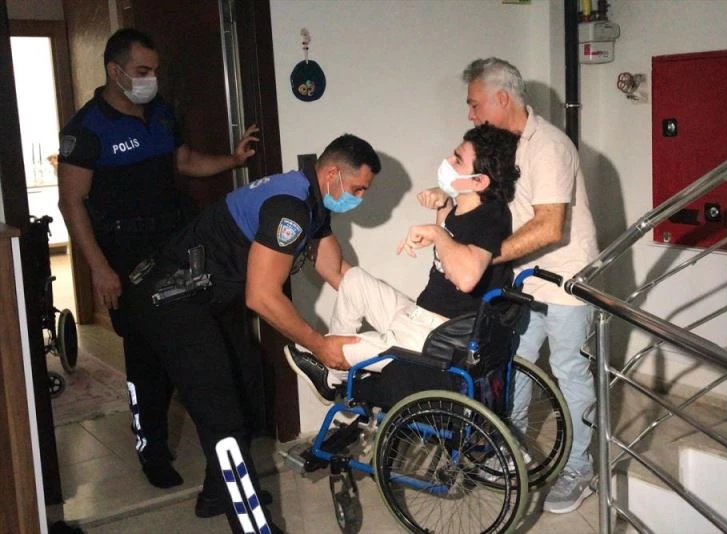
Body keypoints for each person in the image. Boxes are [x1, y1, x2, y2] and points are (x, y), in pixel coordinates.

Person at [125, 134, 381, 529]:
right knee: (222, 416)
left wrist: (391, 314)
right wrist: (319, 346)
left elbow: (336, 272)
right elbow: (262, 297)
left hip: (201, 299)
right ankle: (251, 524)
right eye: (358, 188)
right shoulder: (290, 207)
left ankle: (217, 494)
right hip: (169, 301)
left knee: (246, 385)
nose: (360, 198)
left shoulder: (311, 201)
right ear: (332, 173)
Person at [57, 27, 259, 489]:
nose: (151, 79)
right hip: (124, 253)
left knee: (205, 342)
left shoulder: (162, 113)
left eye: (155, 70)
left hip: (175, 243)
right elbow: (71, 203)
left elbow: (185, 163)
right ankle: (152, 448)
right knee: (146, 354)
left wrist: (233, 160)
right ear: (115, 71)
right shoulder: (86, 129)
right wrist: (99, 268)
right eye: (142, 70)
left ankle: (223, 458)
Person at [455, 57, 600, 514]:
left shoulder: (548, 145)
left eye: (475, 104)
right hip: (526, 279)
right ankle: (509, 448)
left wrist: (484, 256)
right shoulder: (504, 148)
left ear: (501, 98)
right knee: (513, 363)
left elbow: (549, 226)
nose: (471, 114)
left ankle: (580, 470)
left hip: (567, 279)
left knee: (568, 371)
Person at [284, 124, 520, 403]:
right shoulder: (464, 207)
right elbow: (450, 251)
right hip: (418, 316)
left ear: (479, 181)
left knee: (332, 347)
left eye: (457, 159)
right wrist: (443, 203)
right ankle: (335, 375)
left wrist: (436, 233)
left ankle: (333, 373)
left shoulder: (492, 216)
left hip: (437, 338)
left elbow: (466, 278)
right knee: (354, 280)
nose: (448, 160)